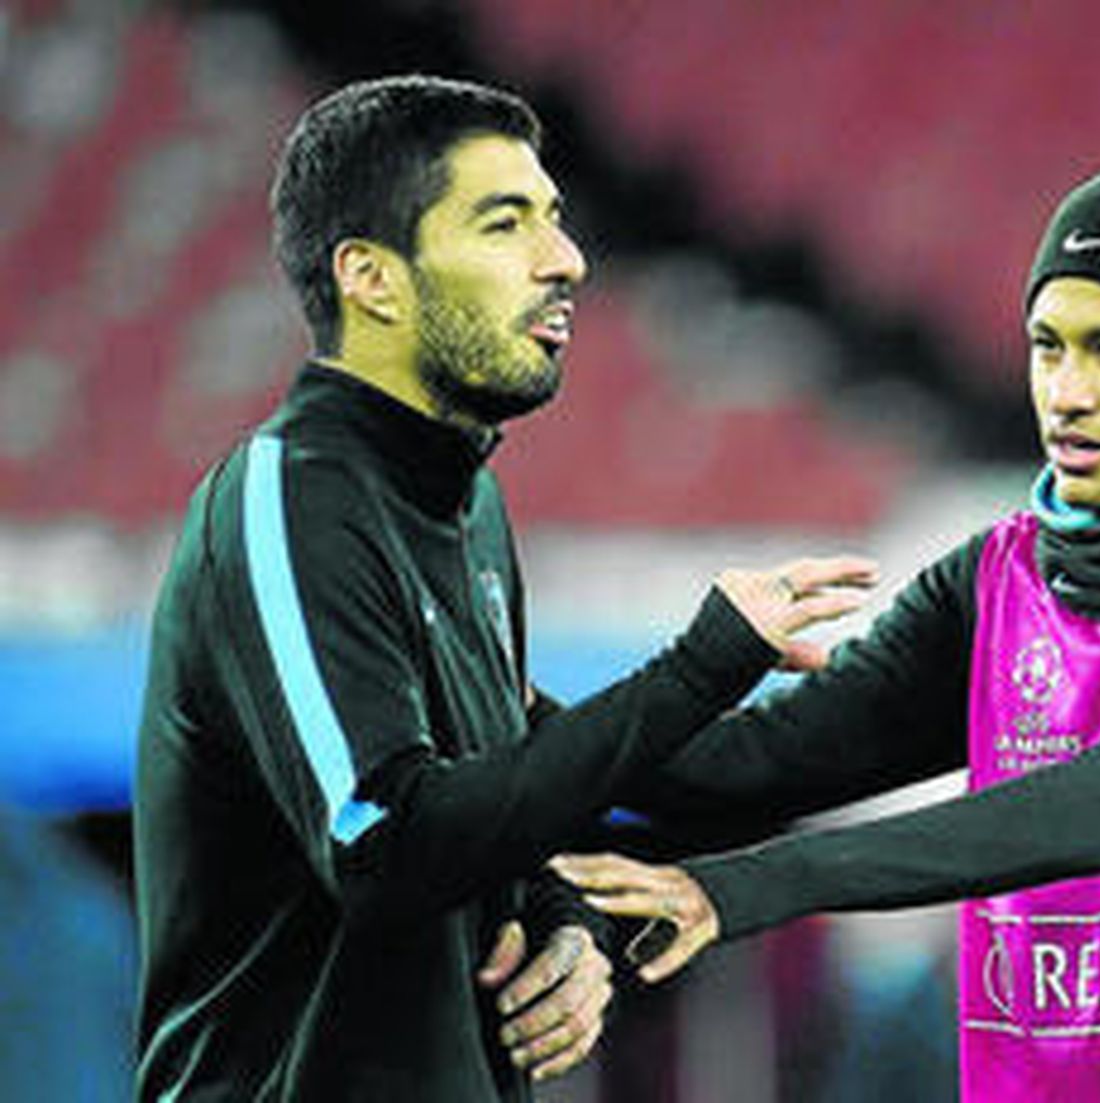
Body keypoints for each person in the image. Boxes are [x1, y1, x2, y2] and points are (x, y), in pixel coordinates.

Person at [555, 141, 1100, 1101]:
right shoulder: (998, 582)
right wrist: (514, 726)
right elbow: (749, 768)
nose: (1067, 392)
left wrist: (743, 890)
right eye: (1047, 345)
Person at [132, 74, 875, 1101]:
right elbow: (381, 840)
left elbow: (490, 806)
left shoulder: (469, 508)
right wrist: (703, 661)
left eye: (554, 220)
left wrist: (561, 926)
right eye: (504, 222)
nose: (563, 260)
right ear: (372, 279)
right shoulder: (285, 497)